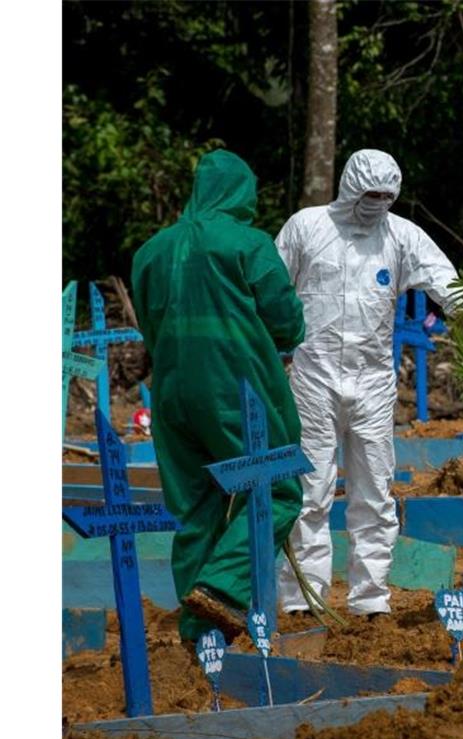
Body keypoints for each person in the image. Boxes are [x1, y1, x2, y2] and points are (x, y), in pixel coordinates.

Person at [131, 149, 307, 644]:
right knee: (276, 486)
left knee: (197, 507)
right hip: (237, 392)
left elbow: (149, 326)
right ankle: (223, 589)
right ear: (241, 192)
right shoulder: (248, 244)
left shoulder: (149, 252)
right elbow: (286, 319)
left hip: (170, 395)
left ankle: (198, 639)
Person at [276, 149, 459, 617]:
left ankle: (371, 600)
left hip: (374, 383)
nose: (376, 203)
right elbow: (273, 291)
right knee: (309, 489)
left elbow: (446, 282)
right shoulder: (307, 228)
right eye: (369, 194)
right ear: (350, 186)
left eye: (385, 196)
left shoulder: (401, 236)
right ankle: (303, 601)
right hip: (313, 378)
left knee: (374, 492)